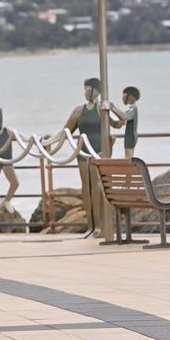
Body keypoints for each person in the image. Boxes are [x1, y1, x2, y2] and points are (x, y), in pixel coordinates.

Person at [63, 77, 123, 237]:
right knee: (87, 188)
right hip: (83, 154)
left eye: (90, 89)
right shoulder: (78, 111)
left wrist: (117, 111)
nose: (87, 92)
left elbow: (117, 123)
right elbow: (65, 132)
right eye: (85, 89)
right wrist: (48, 143)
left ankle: (101, 227)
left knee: (98, 187)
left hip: (99, 153)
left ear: (98, 91)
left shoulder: (101, 109)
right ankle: (91, 226)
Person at [106, 86, 140, 158]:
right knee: (128, 157)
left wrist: (113, 108)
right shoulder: (132, 109)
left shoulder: (133, 109)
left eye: (124, 95)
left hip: (130, 136)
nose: (123, 98)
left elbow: (124, 116)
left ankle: (129, 169)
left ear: (131, 97)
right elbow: (123, 118)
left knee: (128, 157)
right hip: (130, 135)